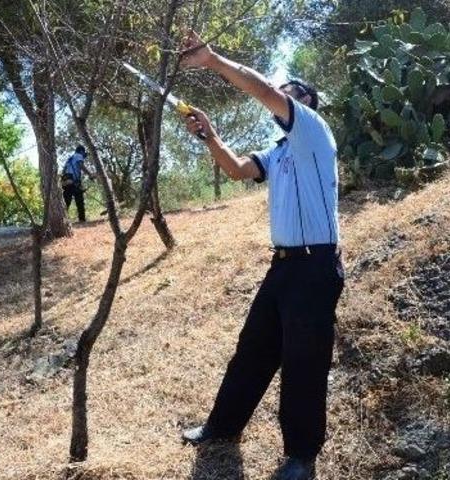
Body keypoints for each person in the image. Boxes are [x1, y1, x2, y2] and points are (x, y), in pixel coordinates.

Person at [178, 31, 344, 480]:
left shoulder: (312, 130)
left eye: (294, 91)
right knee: (252, 348)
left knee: (304, 362)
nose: (284, 94)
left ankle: (301, 456)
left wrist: (210, 59)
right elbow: (235, 171)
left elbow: (263, 91)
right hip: (284, 265)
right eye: (285, 90)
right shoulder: (279, 151)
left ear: (306, 102)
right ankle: (222, 426)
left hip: (315, 266)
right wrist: (210, 135)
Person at [61, 145, 88, 222]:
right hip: (75, 181)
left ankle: (62, 220)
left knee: (66, 202)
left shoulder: (70, 158)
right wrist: (90, 174)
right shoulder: (79, 155)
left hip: (67, 181)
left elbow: (63, 171)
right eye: (84, 152)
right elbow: (81, 165)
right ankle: (82, 220)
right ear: (82, 151)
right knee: (79, 201)